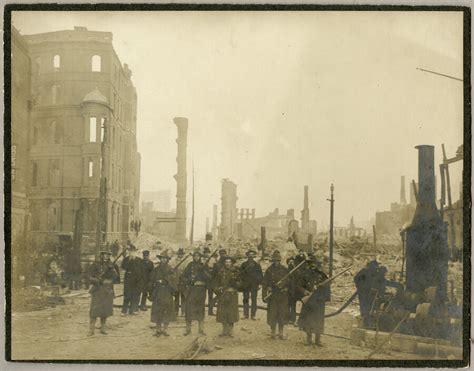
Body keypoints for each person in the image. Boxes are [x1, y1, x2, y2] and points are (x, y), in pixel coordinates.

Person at [297, 256, 330, 346]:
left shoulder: (322, 275)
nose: (313, 266)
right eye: (311, 264)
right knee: (308, 320)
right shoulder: (305, 274)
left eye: (315, 264)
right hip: (309, 301)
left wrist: (323, 297)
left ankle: (317, 340)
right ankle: (308, 340)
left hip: (319, 301)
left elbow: (327, 288)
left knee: (318, 320)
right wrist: (305, 291)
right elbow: (299, 286)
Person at [87, 250, 120, 336]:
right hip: (98, 289)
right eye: (105, 254)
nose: (107, 256)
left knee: (105, 309)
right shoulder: (95, 264)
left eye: (108, 255)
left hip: (107, 289)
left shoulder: (112, 265)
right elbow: (88, 275)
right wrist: (95, 280)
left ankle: (103, 328)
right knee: (94, 310)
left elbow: (116, 278)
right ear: (102, 255)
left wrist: (112, 269)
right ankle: (91, 329)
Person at [182, 250, 211, 335]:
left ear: (200, 257)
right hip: (191, 289)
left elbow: (209, 277)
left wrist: (203, 272)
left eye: (198, 256)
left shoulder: (204, 266)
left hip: (201, 290)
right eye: (195, 256)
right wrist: (188, 280)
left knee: (200, 309)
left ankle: (201, 330)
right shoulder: (190, 265)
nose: (196, 257)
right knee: (189, 309)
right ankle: (188, 330)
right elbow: (183, 276)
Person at [149, 251, 177, 337]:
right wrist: (155, 284)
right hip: (158, 292)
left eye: (165, 258)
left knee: (167, 310)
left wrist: (166, 280)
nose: (163, 260)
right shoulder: (156, 269)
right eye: (162, 258)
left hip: (167, 292)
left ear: (167, 260)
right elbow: (151, 280)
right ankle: (158, 330)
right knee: (158, 310)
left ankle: (165, 330)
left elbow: (174, 280)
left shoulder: (170, 269)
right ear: (160, 259)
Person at [262, 250, 289, 339]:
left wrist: (285, 287)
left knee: (282, 313)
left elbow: (289, 281)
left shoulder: (285, 270)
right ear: (272, 261)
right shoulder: (269, 270)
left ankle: (281, 333)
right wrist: (266, 293)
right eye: (275, 260)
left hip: (282, 295)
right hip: (273, 295)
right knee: (272, 314)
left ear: (280, 260)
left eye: (278, 260)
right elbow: (264, 283)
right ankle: (273, 333)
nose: (276, 262)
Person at [214, 255, 241, 337]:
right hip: (223, 294)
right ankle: (224, 331)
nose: (228, 264)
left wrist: (236, 283)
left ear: (232, 263)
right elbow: (216, 283)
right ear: (224, 263)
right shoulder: (220, 272)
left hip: (232, 294)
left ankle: (231, 331)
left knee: (232, 312)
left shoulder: (236, 272)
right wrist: (218, 290)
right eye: (226, 262)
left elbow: (240, 284)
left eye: (229, 262)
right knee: (223, 312)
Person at [354, 260, 380, 327]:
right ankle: (364, 321)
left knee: (369, 307)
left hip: (370, 292)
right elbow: (356, 279)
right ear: (371, 266)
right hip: (363, 292)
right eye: (375, 267)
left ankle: (367, 321)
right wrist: (361, 287)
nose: (376, 268)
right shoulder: (364, 271)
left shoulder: (374, 272)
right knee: (364, 306)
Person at [240, 249, 263, 320]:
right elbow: (240, 274)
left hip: (254, 284)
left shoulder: (257, 265)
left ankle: (253, 315)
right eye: (249, 254)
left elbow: (260, 275)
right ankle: (245, 314)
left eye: (252, 254)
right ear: (247, 255)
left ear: (254, 256)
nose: (251, 256)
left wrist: (260, 284)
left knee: (254, 300)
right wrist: (242, 282)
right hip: (246, 284)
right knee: (245, 299)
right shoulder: (243, 264)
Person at [121, 245, 143, 315]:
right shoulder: (126, 259)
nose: (132, 253)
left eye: (133, 251)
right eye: (131, 251)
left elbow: (141, 270)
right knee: (127, 295)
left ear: (136, 252)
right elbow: (123, 267)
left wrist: (140, 280)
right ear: (129, 252)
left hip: (137, 280)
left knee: (135, 295)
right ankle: (124, 311)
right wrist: (129, 260)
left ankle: (133, 310)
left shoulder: (139, 260)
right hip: (128, 279)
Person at [208, 247, 227, 315]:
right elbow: (213, 274)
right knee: (219, 295)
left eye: (224, 254)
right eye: (221, 254)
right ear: (220, 255)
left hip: (223, 282)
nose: (223, 255)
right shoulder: (216, 264)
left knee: (223, 296)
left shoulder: (227, 263)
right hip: (215, 282)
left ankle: (220, 311)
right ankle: (210, 310)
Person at [174, 248, 187, 316]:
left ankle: (183, 311)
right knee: (176, 298)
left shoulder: (185, 262)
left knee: (183, 297)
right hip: (176, 282)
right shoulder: (174, 261)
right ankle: (176, 311)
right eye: (179, 254)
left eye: (181, 254)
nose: (180, 255)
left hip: (183, 282)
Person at [286, 256, 298, 325]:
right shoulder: (285, 271)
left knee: (293, 306)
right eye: (290, 262)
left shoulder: (296, 272)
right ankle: (287, 318)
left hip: (294, 291)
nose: (291, 263)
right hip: (287, 291)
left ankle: (293, 319)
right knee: (287, 305)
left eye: (292, 262)